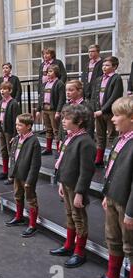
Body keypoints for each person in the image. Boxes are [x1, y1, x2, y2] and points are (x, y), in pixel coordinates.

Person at [86, 97, 133, 278]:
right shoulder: (119, 139)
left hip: (127, 203)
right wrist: (106, 194)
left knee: (130, 245)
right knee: (113, 239)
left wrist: (131, 212)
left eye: (117, 115)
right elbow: (111, 170)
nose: (112, 119)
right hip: (113, 197)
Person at [52, 105, 96, 268]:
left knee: (79, 218)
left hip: (77, 187)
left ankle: (79, 252)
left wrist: (80, 192)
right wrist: (61, 182)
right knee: (69, 214)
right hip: (67, 183)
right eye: (63, 117)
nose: (63, 121)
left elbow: (86, 171)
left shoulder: (85, 142)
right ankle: (69, 245)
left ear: (79, 121)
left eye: (67, 118)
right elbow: (64, 161)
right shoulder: (70, 137)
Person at [6, 114, 41, 238]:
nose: (17, 127)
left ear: (29, 126)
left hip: (27, 177)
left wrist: (30, 180)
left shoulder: (34, 141)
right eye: (16, 124)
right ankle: (19, 217)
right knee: (17, 196)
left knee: (31, 199)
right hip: (17, 174)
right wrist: (11, 173)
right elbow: (13, 157)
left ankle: (32, 225)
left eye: (20, 125)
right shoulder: (17, 139)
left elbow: (35, 164)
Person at [91, 56, 124, 167]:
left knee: (112, 136)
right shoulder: (99, 79)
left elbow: (114, 96)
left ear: (114, 67)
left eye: (107, 65)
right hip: (98, 113)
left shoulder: (116, 78)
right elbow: (94, 96)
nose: (104, 67)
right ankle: (99, 159)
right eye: (103, 65)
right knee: (100, 136)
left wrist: (103, 110)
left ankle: (111, 159)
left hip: (109, 113)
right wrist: (94, 109)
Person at [0, 81, 21, 184]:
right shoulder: (0, 103)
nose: (2, 91)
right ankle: (5, 171)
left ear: (10, 91)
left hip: (10, 131)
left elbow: (16, 119)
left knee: (11, 152)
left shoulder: (13, 103)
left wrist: (15, 135)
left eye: (5, 89)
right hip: (1, 129)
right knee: (3, 151)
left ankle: (12, 174)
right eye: (1, 89)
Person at [37, 64, 66, 155]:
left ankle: (58, 150)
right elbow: (41, 97)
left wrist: (58, 111)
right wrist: (38, 109)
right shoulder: (45, 84)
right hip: (45, 109)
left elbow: (62, 98)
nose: (48, 73)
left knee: (56, 130)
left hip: (53, 110)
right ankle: (48, 149)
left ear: (56, 72)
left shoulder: (59, 83)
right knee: (48, 129)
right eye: (47, 72)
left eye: (50, 71)